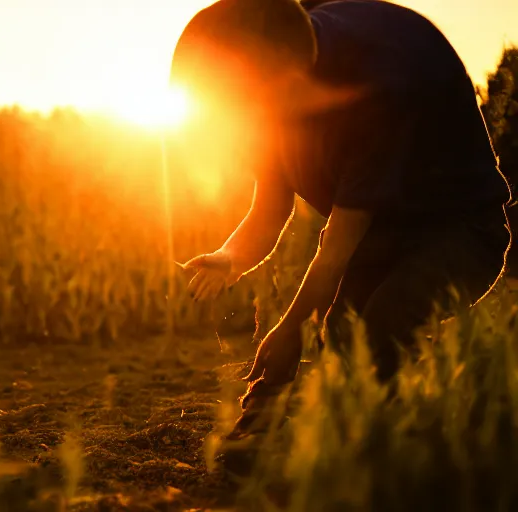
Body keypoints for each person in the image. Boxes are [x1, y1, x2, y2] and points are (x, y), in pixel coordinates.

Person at [170, 0, 512, 444]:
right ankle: (286, 433)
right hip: (382, 233)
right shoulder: (264, 96)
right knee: (342, 334)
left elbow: (334, 253)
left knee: (384, 326)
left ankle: (425, 450)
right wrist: (229, 257)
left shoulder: (376, 88)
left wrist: (290, 330)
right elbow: (271, 208)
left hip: (462, 230)